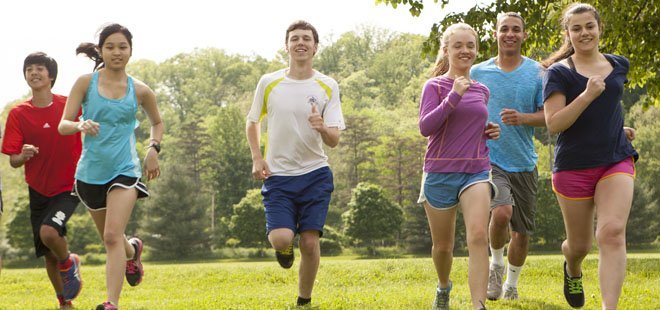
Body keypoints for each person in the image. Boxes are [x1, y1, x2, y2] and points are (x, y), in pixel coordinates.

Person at [58, 23, 164, 310]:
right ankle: (134, 251)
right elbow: (63, 125)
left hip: (125, 170)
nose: (117, 52)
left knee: (111, 236)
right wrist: (80, 123)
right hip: (90, 174)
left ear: (130, 51)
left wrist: (153, 148)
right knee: (116, 240)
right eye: (110, 47)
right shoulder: (85, 83)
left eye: (122, 47)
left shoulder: (140, 90)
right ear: (102, 50)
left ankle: (111, 303)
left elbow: (157, 122)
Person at [542, 3, 638, 309]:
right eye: (576, 28)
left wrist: (618, 128)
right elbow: (555, 123)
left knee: (611, 232)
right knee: (580, 245)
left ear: (599, 28)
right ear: (568, 34)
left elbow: (608, 108)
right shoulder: (559, 72)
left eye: (589, 26)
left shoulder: (618, 65)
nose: (584, 33)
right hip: (573, 166)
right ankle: (572, 268)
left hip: (615, 158)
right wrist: (586, 95)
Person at [246, 20, 345, 307]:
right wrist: (256, 156)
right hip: (278, 176)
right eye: (295, 38)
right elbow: (252, 121)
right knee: (280, 238)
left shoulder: (328, 85)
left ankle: (304, 299)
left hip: (315, 174)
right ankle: (284, 249)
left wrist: (322, 126)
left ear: (315, 46)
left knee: (310, 242)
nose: (300, 43)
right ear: (286, 46)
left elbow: (335, 139)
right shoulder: (269, 82)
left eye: (306, 38)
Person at [418, 23, 501, 310]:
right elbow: (426, 127)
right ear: (446, 50)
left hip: (476, 169)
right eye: (458, 46)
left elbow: (470, 124)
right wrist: (454, 95)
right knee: (443, 247)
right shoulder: (435, 86)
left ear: (476, 50)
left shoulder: (482, 90)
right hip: (439, 172)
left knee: (478, 235)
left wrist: (487, 130)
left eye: (470, 46)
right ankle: (443, 286)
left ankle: (479, 305)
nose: (465, 51)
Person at [470, 13, 546, 301]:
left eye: (516, 30)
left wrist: (523, 118)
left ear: (524, 35)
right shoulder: (478, 73)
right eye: (504, 29)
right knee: (501, 212)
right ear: (495, 34)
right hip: (490, 159)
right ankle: (496, 267)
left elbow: (551, 117)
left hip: (524, 161)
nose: (510, 34)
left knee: (522, 234)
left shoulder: (538, 72)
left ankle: (511, 285)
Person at [1, 52, 83, 309]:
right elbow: (13, 161)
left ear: (51, 76)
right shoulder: (18, 114)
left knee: (49, 233)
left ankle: (69, 262)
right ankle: (64, 302)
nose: (33, 73)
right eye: (29, 69)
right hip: (37, 189)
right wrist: (22, 155)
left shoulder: (70, 106)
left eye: (39, 69)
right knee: (48, 253)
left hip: (70, 186)